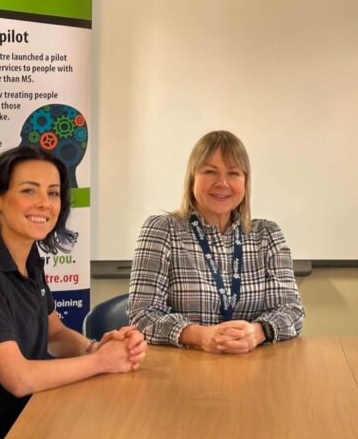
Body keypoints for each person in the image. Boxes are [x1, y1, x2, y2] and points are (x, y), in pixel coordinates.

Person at [0, 146, 146, 439]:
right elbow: (18, 378)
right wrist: (102, 362)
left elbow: (54, 333)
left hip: (23, 421)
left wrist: (95, 347)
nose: (45, 203)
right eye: (29, 190)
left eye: (54, 192)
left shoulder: (28, 258)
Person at [129, 130, 305, 352]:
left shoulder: (268, 235)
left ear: (245, 182)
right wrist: (200, 335)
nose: (222, 183)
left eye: (233, 173)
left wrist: (258, 332)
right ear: (192, 179)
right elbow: (142, 315)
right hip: (183, 368)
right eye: (210, 172)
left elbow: (292, 311)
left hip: (254, 366)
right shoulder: (162, 230)